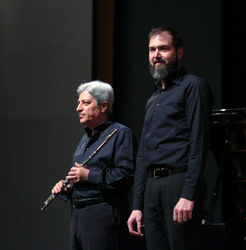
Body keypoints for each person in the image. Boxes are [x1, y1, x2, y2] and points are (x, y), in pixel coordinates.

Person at [127, 26, 214, 250]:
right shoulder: (153, 98)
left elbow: (198, 143)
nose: (156, 55)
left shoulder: (193, 86)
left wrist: (188, 193)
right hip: (152, 187)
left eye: (163, 49)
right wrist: (137, 204)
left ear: (179, 52)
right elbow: (143, 155)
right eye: (152, 49)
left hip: (178, 183)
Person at [51, 80, 136, 250]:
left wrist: (88, 175)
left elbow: (125, 176)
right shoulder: (85, 139)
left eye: (85, 103)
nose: (78, 108)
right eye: (78, 103)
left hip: (102, 215)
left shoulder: (120, 133)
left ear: (103, 106)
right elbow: (81, 178)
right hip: (78, 216)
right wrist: (67, 187)